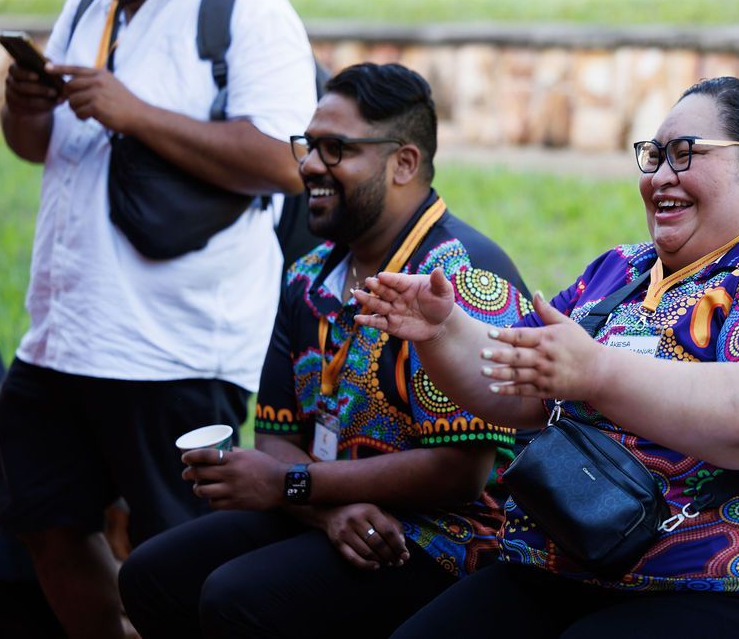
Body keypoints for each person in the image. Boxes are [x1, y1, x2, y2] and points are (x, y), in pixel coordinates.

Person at [354, 77, 739, 638]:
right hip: (583, 563)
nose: (660, 176)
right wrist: (444, 330)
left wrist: (598, 372)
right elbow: (518, 389)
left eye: (686, 154)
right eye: (655, 156)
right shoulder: (621, 270)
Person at [118, 62, 533, 638]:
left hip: (447, 537)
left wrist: (294, 487)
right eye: (308, 146)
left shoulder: (459, 275)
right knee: (152, 576)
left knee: (235, 599)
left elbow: (460, 473)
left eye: (335, 148)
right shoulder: (310, 275)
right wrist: (325, 509)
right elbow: (276, 432)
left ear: (403, 163)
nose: (310, 165)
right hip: (328, 509)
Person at [0, 0, 316, 636]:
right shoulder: (87, 3)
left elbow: (290, 160)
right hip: (61, 334)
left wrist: (134, 113)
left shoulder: (243, 3)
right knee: (42, 523)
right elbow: (39, 147)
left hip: (177, 345)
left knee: (181, 558)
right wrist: (22, 111)